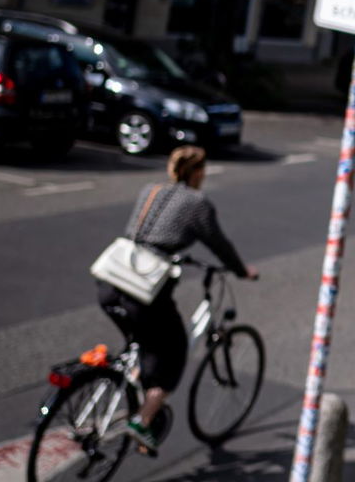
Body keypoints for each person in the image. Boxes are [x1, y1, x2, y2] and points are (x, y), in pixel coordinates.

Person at [97, 145, 256, 451]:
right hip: (143, 290)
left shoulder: (150, 191)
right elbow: (219, 243)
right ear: (197, 173)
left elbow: (147, 236)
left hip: (110, 279)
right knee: (175, 351)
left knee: (145, 342)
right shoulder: (198, 203)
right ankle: (142, 421)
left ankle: (136, 382)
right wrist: (241, 271)